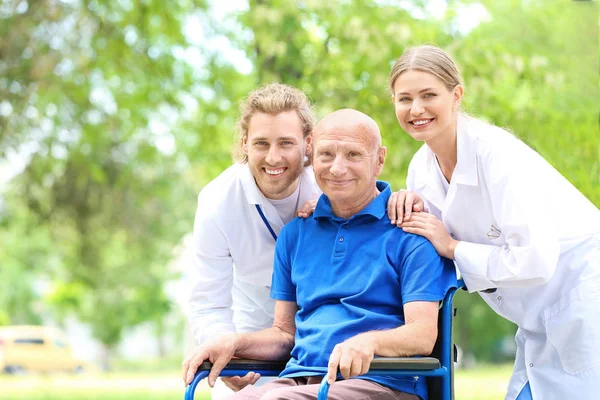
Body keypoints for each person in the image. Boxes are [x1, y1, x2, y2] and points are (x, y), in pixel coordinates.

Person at [182, 109, 457, 400]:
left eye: (353, 155)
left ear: (379, 160)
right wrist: (234, 343)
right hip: (299, 381)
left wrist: (369, 343)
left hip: (380, 382)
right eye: (326, 155)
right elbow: (284, 335)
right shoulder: (295, 234)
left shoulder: (410, 231)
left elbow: (423, 335)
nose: (337, 168)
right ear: (312, 156)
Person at [386, 45, 600, 400]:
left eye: (429, 95)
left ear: (456, 95)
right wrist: (400, 201)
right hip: (536, 320)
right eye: (404, 98)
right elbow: (426, 250)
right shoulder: (420, 169)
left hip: (583, 298)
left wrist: (452, 247)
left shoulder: (495, 154)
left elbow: (534, 259)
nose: (416, 109)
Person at [187, 83, 321, 394]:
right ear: (245, 142)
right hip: (251, 337)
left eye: (286, 142)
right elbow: (208, 302)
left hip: (323, 333)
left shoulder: (329, 187)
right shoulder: (217, 200)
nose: (273, 158)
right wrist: (223, 348)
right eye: (262, 143)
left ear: (308, 142)